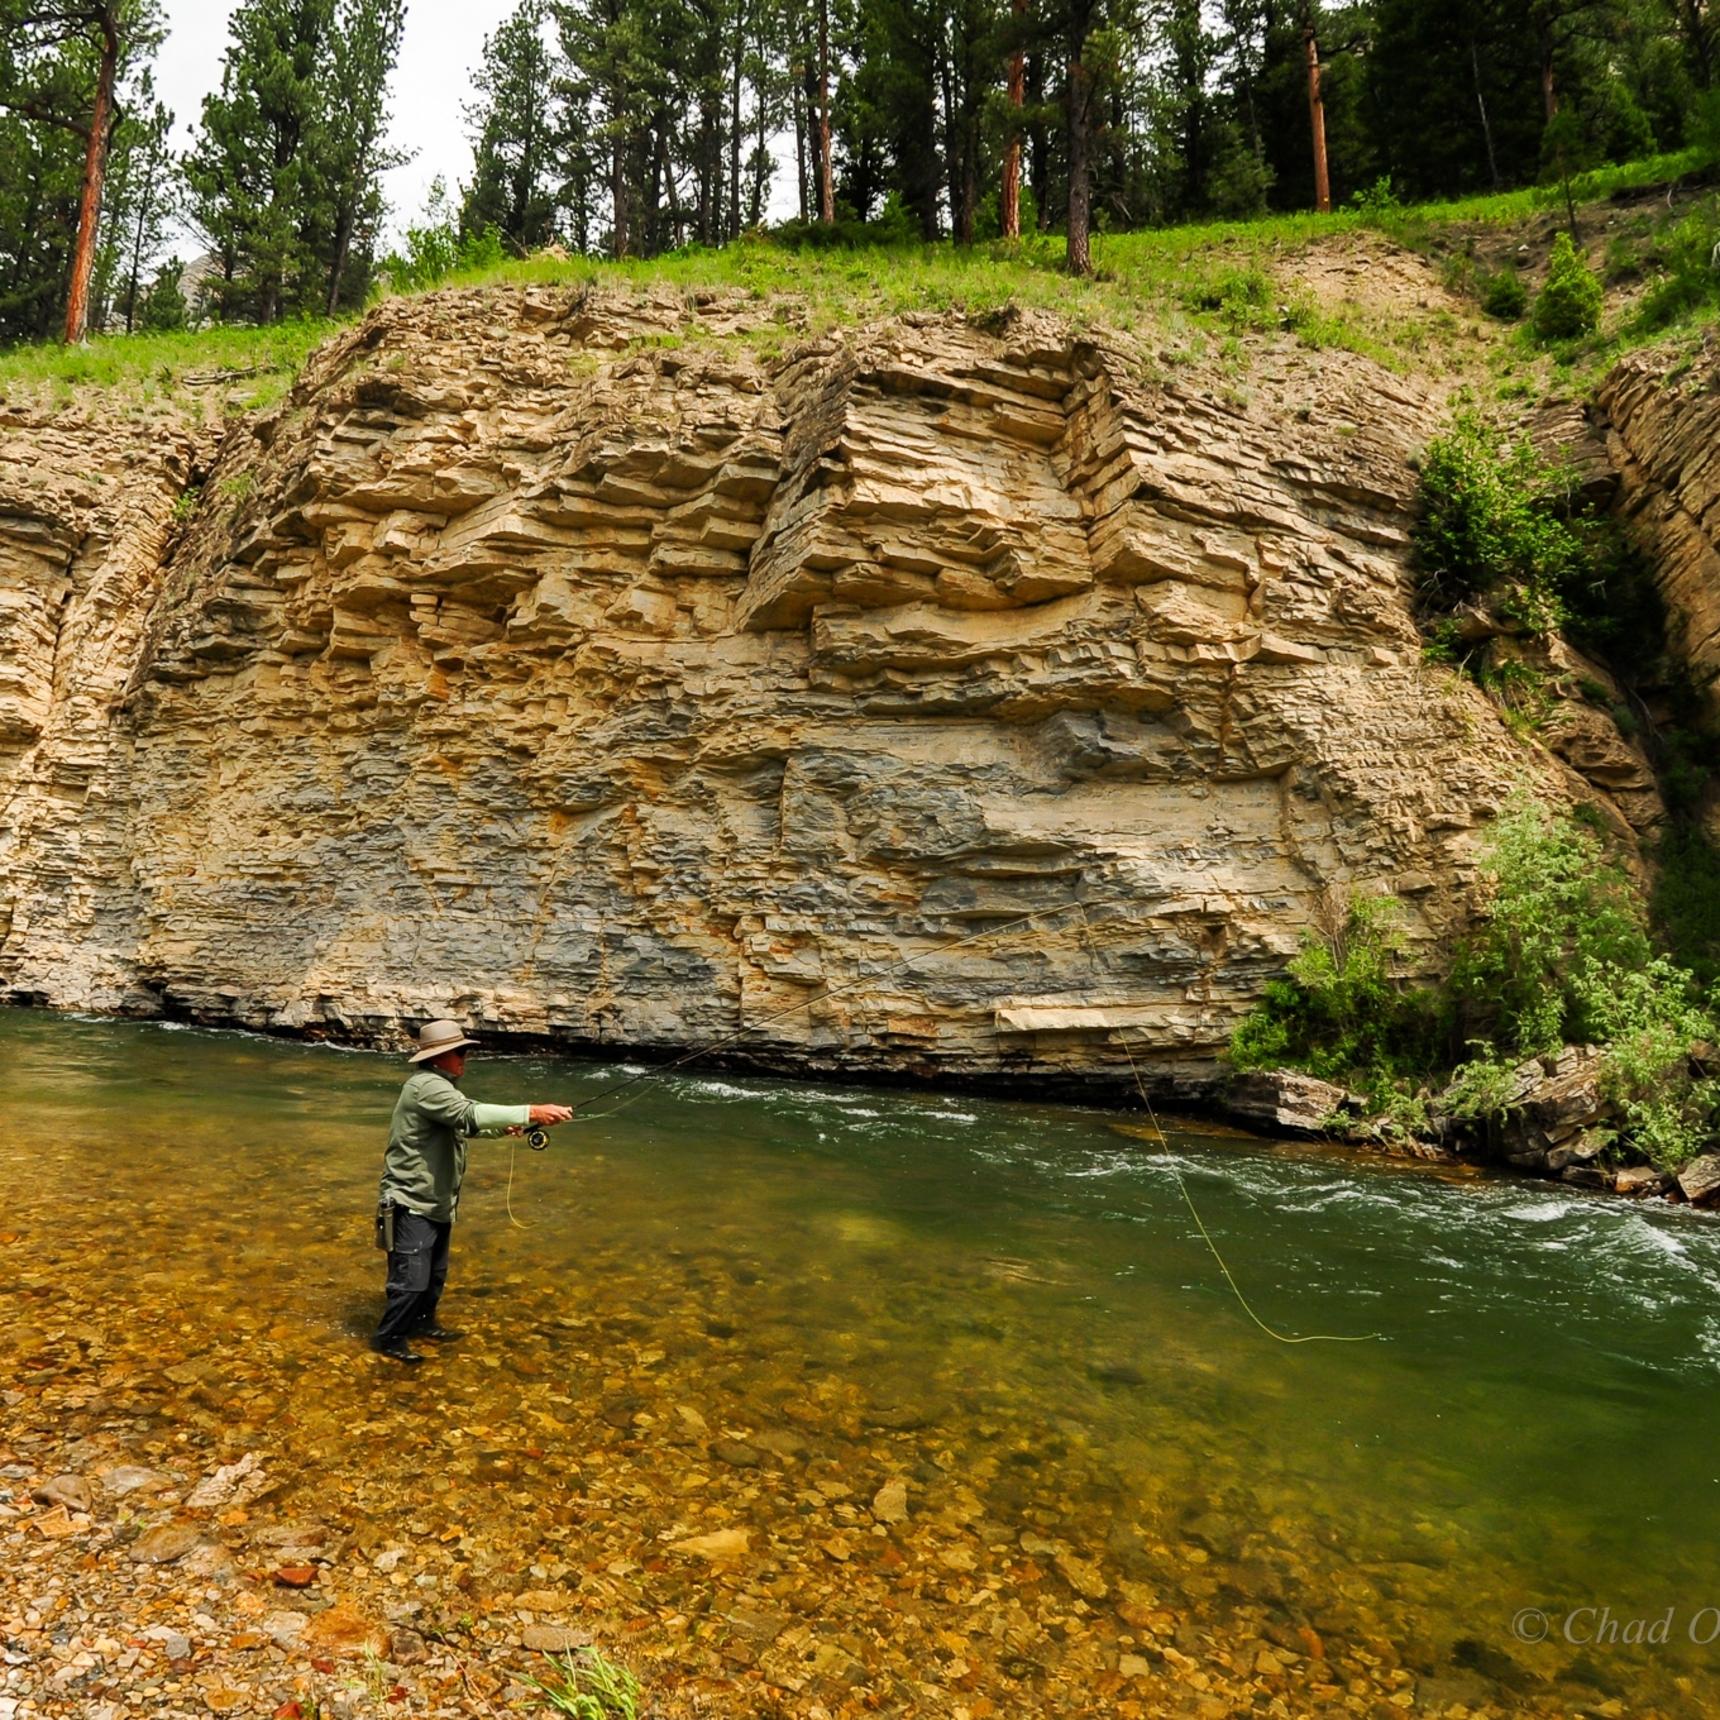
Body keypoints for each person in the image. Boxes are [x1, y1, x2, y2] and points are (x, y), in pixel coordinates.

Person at [372, 1018, 573, 1364]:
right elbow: (469, 1113)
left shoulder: (442, 1086)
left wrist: (511, 1127)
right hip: (410, 1202)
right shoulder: (425, 1086)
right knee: (411, 1282)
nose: (465, 1057)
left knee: (434, 1276)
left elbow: (465, 1123)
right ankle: (388, 1340)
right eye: (459, 1051)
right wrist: (531, 1110)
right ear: (438, 1057)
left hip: (436, 1203)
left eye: (464, 1051)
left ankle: (423, 1324)